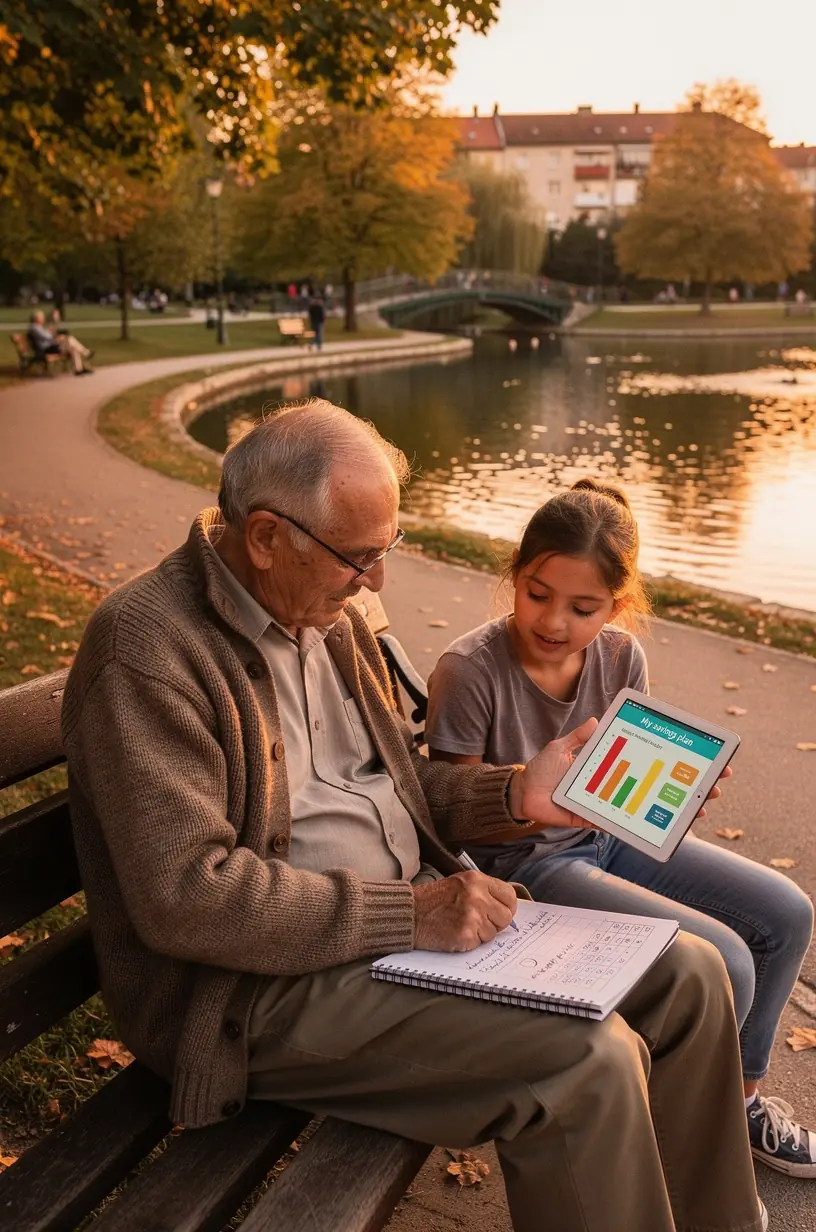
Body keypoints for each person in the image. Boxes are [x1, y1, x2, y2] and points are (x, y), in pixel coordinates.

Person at [62, 406, 767, 1232]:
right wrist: (413, 913)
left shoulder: (330, 620)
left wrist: (518, 794)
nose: (376, 583)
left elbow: (403, 782)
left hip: (415, 933)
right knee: (587, 1064)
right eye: (360, 557)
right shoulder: (148, 651)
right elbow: (190, 897)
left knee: (690, 976)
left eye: (385, 551)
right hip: (258, 992)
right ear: (265, 536)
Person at [426, 478, 815, 1180]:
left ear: (618, 604)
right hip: (525, 867)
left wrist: (670, 796)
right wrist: (525, 796)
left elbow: (615, 783)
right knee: (722, 957)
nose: (553, 621)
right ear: (515, 573)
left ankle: (743, 1101)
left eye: (584, 608)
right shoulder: (469, 669)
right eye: (537, 592)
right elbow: (446, 811)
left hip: (606, 838)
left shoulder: (620, 658)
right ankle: (694, 1135)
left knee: (787, 912)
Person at [28, 309, 93, 375]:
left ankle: (78, 369)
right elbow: (47, 337)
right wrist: (53, 335)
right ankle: (86, 353)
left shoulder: (39, 327)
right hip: (48, 349)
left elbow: (48, 336)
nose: (43, 319)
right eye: (42, 318)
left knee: (72, 346)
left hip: (51, 346)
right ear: (37, 319)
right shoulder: (35, 328)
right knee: (69, 339)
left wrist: (55, 336)